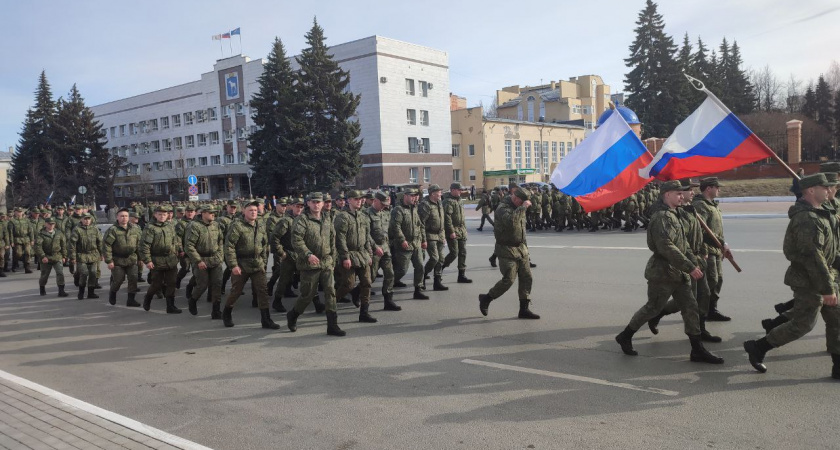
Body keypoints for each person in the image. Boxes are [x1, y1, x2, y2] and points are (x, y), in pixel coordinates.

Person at [614, 180, 723, 364]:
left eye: (682, 193)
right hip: (662, 273)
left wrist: (693, 263)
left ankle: (697, 350)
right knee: (653, 308)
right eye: (678, 193)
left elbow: (683, 244)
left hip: (679, 273)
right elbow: (666, 247)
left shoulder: (675, 214)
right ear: (667, 195)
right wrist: (689, 266)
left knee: (690, 308)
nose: (683, 196)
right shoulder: (661, 217)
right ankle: (625, 335)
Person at [744, 173, 840, 379]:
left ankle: (838, 365)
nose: (830, 190)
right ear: (812, 191)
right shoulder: (807, 219)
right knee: (803, 324)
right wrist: (827, 288)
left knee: (837, 318)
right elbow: (813, 257)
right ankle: (758, 347)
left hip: (825, 276)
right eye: (825, 187)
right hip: (809, 280)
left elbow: (830, 250)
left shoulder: (822, 212)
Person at [287, 192, 345, 336]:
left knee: (330, 292)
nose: (316, 204)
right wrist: (308, 255)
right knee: (308, 295)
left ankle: (333, 325)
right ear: (308, 203)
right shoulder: (302, 220)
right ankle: (293, 315)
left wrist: (332, 258)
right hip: (309, 264)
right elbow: (296, 240)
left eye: (319, 202)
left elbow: (333, 238)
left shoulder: (327, 218)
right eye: (313, 202)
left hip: (326, 262)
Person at [478, 188, 539, 319]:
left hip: (521, 249)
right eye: (522, 202)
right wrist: (523, 208)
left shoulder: (518, 207)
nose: (524, 205)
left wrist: (527, 250)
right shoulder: (502, 208)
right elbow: (512, 222)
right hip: (506, 249)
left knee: (527, 278)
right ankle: (486, 299)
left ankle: (524, 309)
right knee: (508, 280)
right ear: (516, 198)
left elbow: (521, 230)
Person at [221, 200, 278, 329]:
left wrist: (263, 262)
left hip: (257, 264)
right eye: (250, 210)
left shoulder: (260, 225)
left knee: (262, 291)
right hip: (242, 264)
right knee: (236, 291)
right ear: (244, 211)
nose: (253, 213)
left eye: (255, 210)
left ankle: (266, 319)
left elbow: (264, 245)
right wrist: (233, 265)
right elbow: (229, 247)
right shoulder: (237, 226)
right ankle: (227, 313)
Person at [334, 190, 377, 323]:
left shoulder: (363, 216)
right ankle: (332, 302)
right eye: (356, 199)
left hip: (362, 253)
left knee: (367, 282)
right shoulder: (343, 217)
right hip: (349, 253)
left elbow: (367, 237)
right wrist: (345, 257)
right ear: (349, 200)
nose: (359, 201)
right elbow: (340, 238)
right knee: (348, 284)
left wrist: (370, 254)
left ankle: (364, 312)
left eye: (360, 199)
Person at [694, 177, 732, 322]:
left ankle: (712, 310)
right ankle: (701, 312)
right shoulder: (700, 206)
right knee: (710, 282)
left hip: (716, 249)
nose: (719, 190)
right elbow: (703, 231)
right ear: (709, 188)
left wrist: (723, 244)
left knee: (718, 280)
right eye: (717, 187)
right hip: (706, 250)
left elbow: (716, 230)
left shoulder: (712, 205)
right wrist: (722, 243)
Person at [139, 205, 181, 313]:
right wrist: (147, 260)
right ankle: (148, 298)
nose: (162, 216)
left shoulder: (170, 226)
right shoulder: (150, 228)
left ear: (168, 215)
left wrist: (179, 249)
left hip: (171, 259)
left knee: (172, 283)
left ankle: (170, 306)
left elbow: (175, 240)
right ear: (155, 215)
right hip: (157, 260)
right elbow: (145, 246)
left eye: (164, 214)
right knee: (157, 284)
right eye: (160, 214)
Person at [185, 206, 224, 318]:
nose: (213, 215)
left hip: (215, 259)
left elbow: (221, 241)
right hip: (201, 259)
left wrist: (220, 255)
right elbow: (189, 246)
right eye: (211, 213)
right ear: (203, 213)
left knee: (217, 284)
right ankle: (193, 300)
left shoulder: (216, 225)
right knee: (202, 285)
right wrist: (198, 260)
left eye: (214, 213)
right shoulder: (194, 226)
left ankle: (216, 311)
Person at [390, 188, 428, 299]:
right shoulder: (398, 210)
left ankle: (418, 290)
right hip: (404, 245)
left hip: (416, 243)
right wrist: (402, 240)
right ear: (405, 196)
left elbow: (420, 225)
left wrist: (424, 240)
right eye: (411, 195)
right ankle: (390, 283)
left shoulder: (415, 208)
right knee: (402, 269)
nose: (414, 198)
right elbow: (395, 227)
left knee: (420, 266)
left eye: (415, 195)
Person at [366, 191, 401, 311]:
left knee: (390, 273)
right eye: (382, 203)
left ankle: (388, 300)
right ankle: (357, 293)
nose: (384, 206)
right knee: (371, 276)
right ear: (375, 201)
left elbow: (389, 230)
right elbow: (365, 234)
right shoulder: (366, 214)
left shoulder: (386, 213)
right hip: (373, 250)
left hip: (385, 248)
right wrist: (375, 247)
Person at [102, 208, 142, 307]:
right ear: (117, 217)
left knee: (133, 278)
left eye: (126, 216)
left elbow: (139, 244)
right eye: (122, 216)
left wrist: (141, 258)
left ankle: (131, 299)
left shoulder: (135, 229)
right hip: (117, 260)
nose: (124, 218)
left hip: (131, 258)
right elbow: (107, 246)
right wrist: (109, 260)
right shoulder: (113, 230)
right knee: (119, 280)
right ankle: (113, 292)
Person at [270, 197, 305, 313]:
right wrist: (281, 252)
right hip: (289, 255)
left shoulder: (303, 220)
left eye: (301, 207)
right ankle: (277, 301)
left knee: (308, 277)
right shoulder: (286, 221)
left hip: (301, 254)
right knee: (284, 279)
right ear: (291, 206)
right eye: (297, 206)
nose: (299, 209)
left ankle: (315, 301)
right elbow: (274, 237)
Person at [419, 184, 448, 292]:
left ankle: (437, 282)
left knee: (441, 259)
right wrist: (423, 239)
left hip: (439, 234)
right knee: (434, 258)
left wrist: (443, 236)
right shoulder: (425, 205)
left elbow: (442, 221)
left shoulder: (439, 203)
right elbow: (421, 223)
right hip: (429, 234)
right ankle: (422, 278)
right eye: (439, 192)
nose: (440, 194)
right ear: (432, 194)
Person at [442, 182, 472, 283]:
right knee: (454, 253)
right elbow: (447, 218)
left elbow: (462, 216)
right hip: (453, 230)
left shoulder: (459, 200)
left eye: (461, 190)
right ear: (453, 190)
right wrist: (451, 231)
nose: (460, 191)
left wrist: (464, 228)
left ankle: (461, 275)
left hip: (461, 230)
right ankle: (440, 269)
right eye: (459, 190)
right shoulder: (448, 201)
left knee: (463, 252)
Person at [68, 213, 102, 300]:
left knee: (93, 273)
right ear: (81, 220)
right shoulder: (77, 230)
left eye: (88, 219)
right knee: (84, 273)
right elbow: (72, 245)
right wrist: (73, 257)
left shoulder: (95, 229)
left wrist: (102, 254)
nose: (87, 221)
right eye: (85, 219)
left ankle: (91, 292)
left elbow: (100, 242)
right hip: (81, 255)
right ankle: (81, 291)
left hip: (93, 255)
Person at [35, 217, 68, 297]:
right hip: (46, 257)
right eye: (49, 224)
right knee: (44, 275)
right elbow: (38, 247)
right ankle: (42, 288)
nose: (51, 225)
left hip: (57, 256)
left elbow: (63, 245)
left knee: (60, 273)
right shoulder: (41, 234)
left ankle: (61, 290)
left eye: (53, 224)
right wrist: (43, 256)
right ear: (45, 224)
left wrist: (64, 256)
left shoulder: (59, 233)